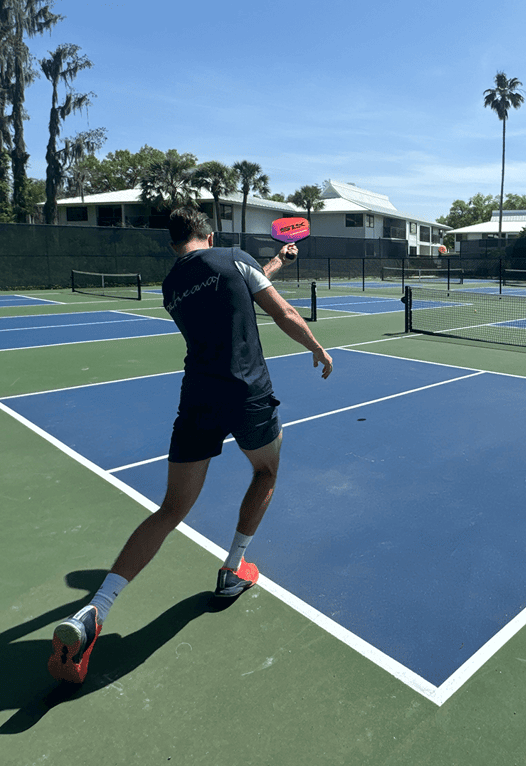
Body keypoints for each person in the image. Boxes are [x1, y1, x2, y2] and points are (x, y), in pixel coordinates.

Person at [48, 206, 333, 684]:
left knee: (170, 509)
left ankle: (95, 609)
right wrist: (317, 347)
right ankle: (232, 568)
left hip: (197, 399)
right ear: (209, 233)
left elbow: (237, 286)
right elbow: (277, 308)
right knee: (265, 471)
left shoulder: (171, 286)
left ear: (173, 242)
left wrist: (278, 262)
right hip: (247, 394)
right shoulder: (233, 257)